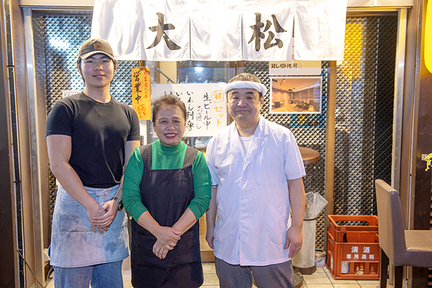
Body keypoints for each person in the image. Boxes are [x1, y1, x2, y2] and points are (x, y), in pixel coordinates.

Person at [46, 38, 141, 288]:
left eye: (104, 60)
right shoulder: (65, 108)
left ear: (114, 66)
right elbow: (58, 163)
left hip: (113, 206)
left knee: (110, 282)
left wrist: (118, 201)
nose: (98, 67)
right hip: (76, 205)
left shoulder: (128, 113)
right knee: (71, 282)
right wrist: (89, 204)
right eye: (91, 61)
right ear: (80, 67)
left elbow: (132, 166)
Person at [205, 73, 306, 288]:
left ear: (261, 101)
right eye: (235, 97)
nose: (241, 103)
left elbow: (296, 185)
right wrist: (210, 226)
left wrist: (296, 227)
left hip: (271, 237)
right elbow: (213, 189)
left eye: (249, 97)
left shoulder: (282, 137)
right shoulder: (217, 141)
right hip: (230, 235)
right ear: (227, 102)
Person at [122, 94, 212, 288]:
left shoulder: (196, 158)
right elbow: (130, 199)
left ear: (185, 124)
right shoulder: (140, 156)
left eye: (176, 121)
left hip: (183, 249)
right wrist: (158, 232)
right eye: (163, 121)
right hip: (148, 247)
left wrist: (170, 236)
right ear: (154, 125)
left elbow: (201, 200)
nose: (170, 127)